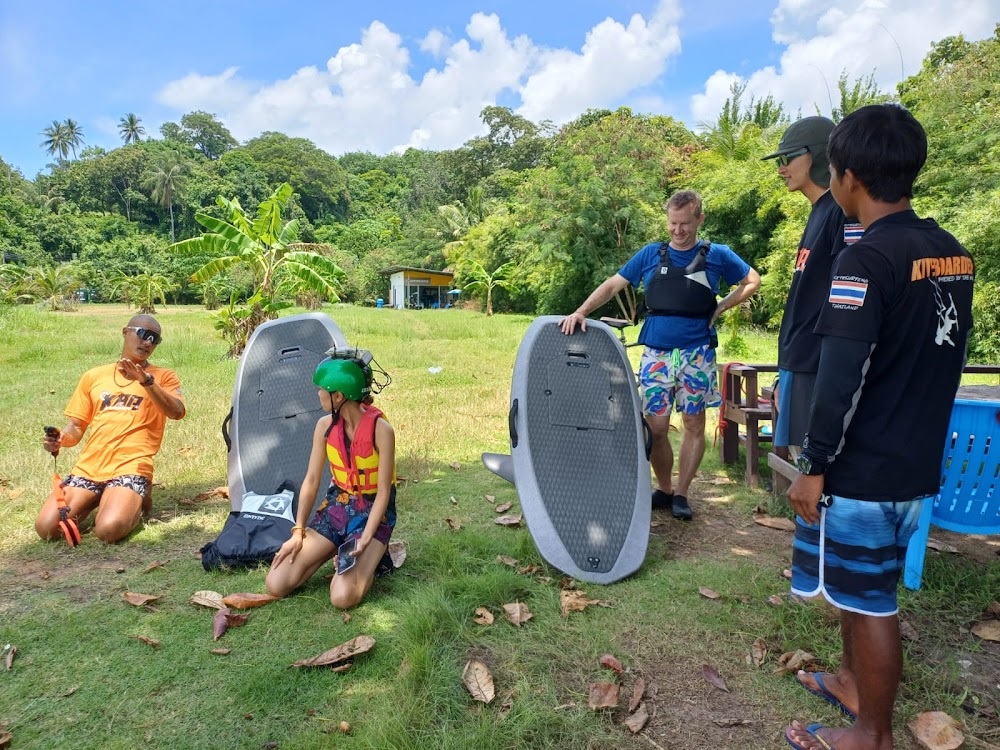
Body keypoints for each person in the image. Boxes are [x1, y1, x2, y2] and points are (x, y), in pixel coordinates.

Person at [784, 104, 975, 750]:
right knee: (857, 583)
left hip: (863, 468)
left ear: (849, 179)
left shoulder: (862, 264)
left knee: (870, 602)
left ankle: (871, 733)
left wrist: (812, 467)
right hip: (916, 461)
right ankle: (848, 681)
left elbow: (841, 377)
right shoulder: (950, 253)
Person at [560, 190, 760, 520]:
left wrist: (723, 305)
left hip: (696, 353)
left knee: (694, 423)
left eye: (685, 224)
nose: (678, 231)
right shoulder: (652, 254)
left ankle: (682, 493)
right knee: (656, 427)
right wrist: (581, 311)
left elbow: (752, 280)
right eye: (672, 224)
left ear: (699, 219)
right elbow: (613, 284)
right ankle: (664, 488)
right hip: (656, 353)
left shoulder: (717, 254)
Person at [761, 116, 863, 460]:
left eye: (786, 158)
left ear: (817, 155)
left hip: (817, 367)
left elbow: (847, 303)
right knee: (798, 465)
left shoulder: (843, 213)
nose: (781, 169)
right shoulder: (819, 211)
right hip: (799, 362)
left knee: (817, 470)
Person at [36, 315, 186, 544]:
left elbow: (176, 412)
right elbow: (76, 427)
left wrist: (147, 381)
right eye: (144, 334)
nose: (148, 342)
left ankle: (136, 497)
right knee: (47, 529)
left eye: (155, 339)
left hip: (131, 465)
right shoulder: (94, 376)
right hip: (90, 467)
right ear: (125, 332)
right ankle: (100, 496)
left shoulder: (163, 376)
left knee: (108, 531)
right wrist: (61, 438)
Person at [266, 358, 397, 610]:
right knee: (277, 582)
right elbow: (312, 480)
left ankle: (376, 555)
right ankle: (339, 545)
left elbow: (383, 493)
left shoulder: (382, 430)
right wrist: (298, 531)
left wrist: (365, 538)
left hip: (373, 512)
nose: (317, 394)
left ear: (338, 396)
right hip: (338, 505)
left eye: (321, 389)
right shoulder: (324, 427)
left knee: (342, 597)